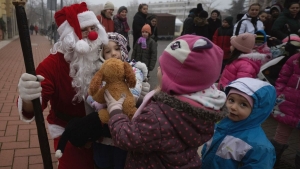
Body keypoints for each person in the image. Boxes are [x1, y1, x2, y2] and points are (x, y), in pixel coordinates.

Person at [105, 34, 227, 168]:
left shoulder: (157, 117)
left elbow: (125, 137)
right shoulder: (203, 106)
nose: (158, 68)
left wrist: (115, 109)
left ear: (175, 81)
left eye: (163, 69)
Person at [17, 2, 109, 169]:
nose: (92, 35)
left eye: (93, 28)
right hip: (68, 131)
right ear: (70, 36)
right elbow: (34, 108)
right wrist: (28, 96)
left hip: (104, 127)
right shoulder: (51, 65)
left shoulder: (102, 54)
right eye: (84, 30)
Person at [88, 32, 148, 169]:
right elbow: (90, 93)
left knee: (122, 163)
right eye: (107, 51)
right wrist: (96, 101)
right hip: (102, 134)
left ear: (124, 49)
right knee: (101, 162)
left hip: (124, 129)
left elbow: (133, 94)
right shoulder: (99, 71)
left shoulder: (133, 69)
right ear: (102, 54)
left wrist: (107, 101)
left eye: (117, 48)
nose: (113, 54)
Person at [201, 77, 276, 169]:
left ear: (257, 111)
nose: (233, 107)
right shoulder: (219, 124)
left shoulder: (259, 147)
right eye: (231, 100)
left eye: (243, 104)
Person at [270, 51, 300, 168]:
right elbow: (282, 78)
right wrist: (279, 95)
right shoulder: (295, 59)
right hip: (288, 105)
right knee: (280, 136)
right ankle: (272, 162)